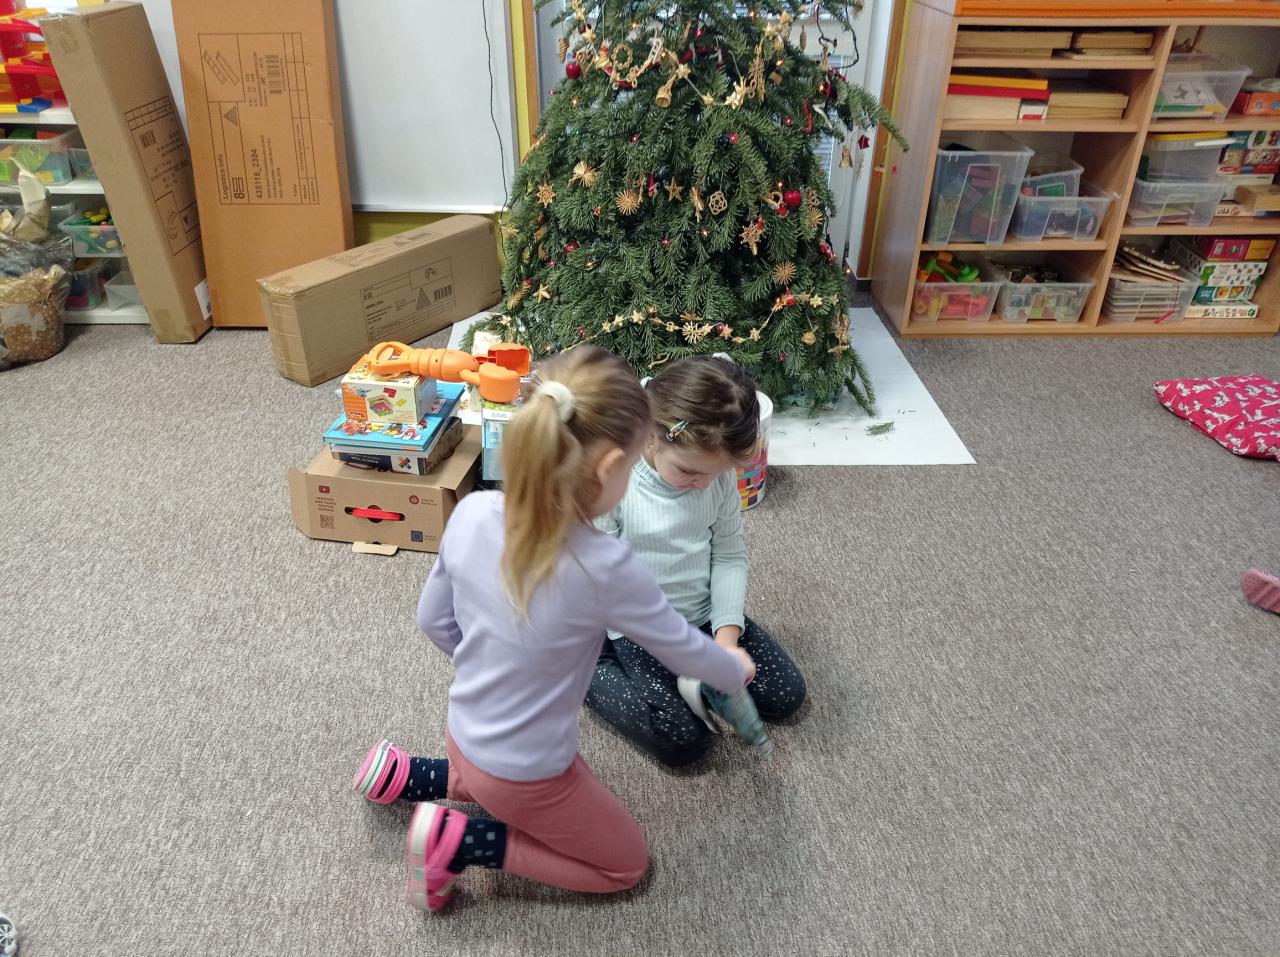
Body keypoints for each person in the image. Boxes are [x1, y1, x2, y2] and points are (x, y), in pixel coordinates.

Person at [352, 346, 755, 912]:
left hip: (463, 729)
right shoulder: (606, 566)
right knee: (624, 866)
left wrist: (495, 666)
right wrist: (730, 666)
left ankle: (416, 775)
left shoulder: (472, 512)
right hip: (526, 770)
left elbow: (433, 620)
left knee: (497, 775)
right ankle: (463, 840)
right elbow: (685, 650)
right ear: (609, 468)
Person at [585, 356, 806, 767]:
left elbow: (729, 555)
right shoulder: (616, 483)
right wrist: (686, 654)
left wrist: (725, 644)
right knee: (684, 742)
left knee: (786, 696)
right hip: (638, 627)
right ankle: (590, 666)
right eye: (689, 471)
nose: (703, 485)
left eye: (716, 473)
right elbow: (606, 582)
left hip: (699, 614)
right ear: (651, 437)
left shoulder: (714, 479)